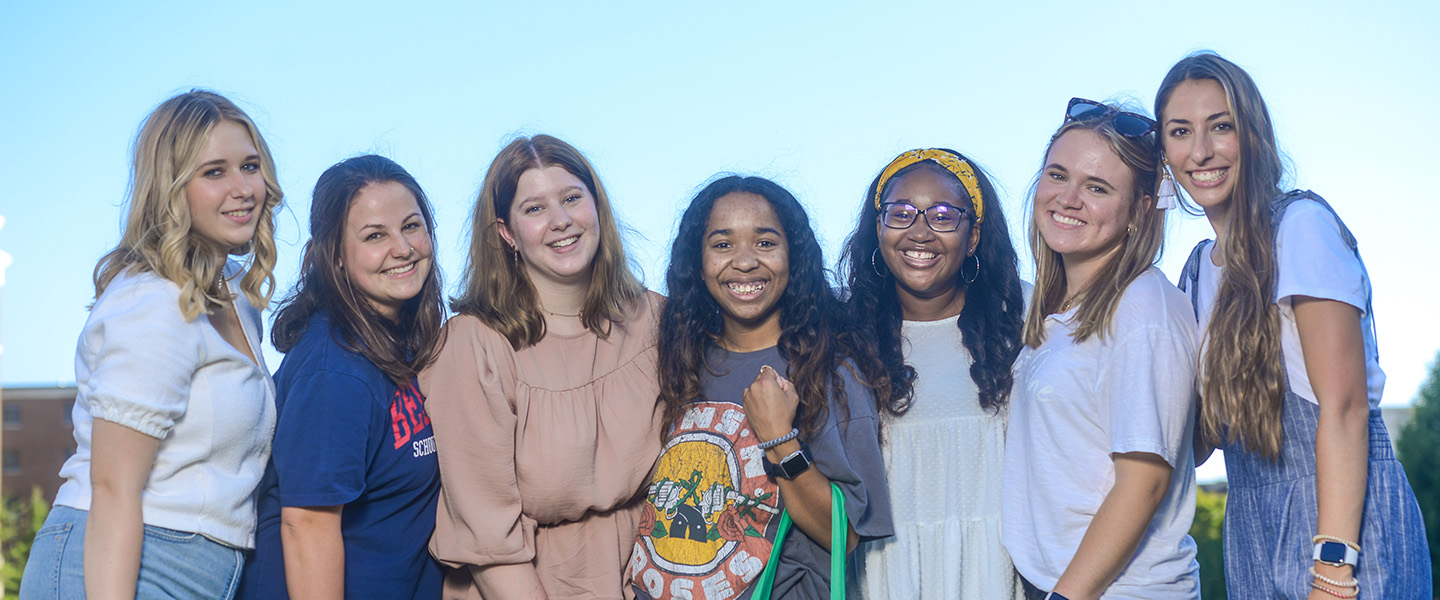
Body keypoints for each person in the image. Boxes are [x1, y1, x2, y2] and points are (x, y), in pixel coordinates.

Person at [1158, 52, 1431, 599]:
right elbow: (1203, 437)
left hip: (1342, 523)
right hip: (1252, 530)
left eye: (1221, 126)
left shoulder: (1299, 228)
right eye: (1180, 132)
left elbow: (1346, 407)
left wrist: (1332, 570)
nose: (1201, 150)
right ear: (1163, 152)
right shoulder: (1195, 272)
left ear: (1251, 133)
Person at [20, 90, 282, 600]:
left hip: (197, 571)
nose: (243, 187)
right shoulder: (152, 302)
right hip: (116, 567)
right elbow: (115, 489)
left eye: (249, 166)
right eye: (214, 172)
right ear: (171, 188)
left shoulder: (232, 293)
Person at [422, 135, 663, 599]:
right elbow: (488, 540)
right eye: (534, 209)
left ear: (597, 205)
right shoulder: (474, 345)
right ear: (506, 233)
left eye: (572, 198)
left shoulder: (654, 319)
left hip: (650, 577)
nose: (561, 221)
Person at [629, 175, 893, 599]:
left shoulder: (831, 371)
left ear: (794, 257)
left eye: (766, 243)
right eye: (722, 244)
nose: (745, 261)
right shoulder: (679, 359)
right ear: (698, 262)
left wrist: (780, 440)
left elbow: (844, 535)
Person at [1001, 98, 1200, 600]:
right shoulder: (1059, 311)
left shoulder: (1143, 309)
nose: (1068, 199)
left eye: (1097, 187)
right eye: (1057, 175)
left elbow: (1144, 484)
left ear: (1138, 209)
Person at [234, 155, 446, 599]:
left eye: (411, 226)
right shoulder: (335, 368)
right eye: (374, 236)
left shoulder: (397, 345)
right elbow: (306, 525)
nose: (403, 248)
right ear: (335, 256)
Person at [838, 147, 1027, 599]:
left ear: (974, 236)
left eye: (943, 215)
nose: (919, 232)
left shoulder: (1026, 315)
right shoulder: (840, 332)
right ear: (877, 226)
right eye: (900, 213)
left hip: (997, 573)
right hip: (885, 574)